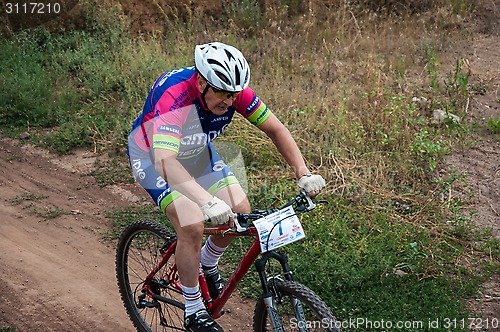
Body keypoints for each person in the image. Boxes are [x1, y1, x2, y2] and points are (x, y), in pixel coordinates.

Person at [127, 42, 325, 332]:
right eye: (221, 93)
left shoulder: (234, 92)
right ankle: (194, 310)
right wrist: (206, 202)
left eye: (234, 95)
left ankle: (207, 261)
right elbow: (164, 161)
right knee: (192, 223)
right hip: (153, 156)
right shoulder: (175, 96)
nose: (229, 102)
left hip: (195, 153)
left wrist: (303, 173)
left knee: (239, 211)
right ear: (202, 82)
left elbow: (276, 129)